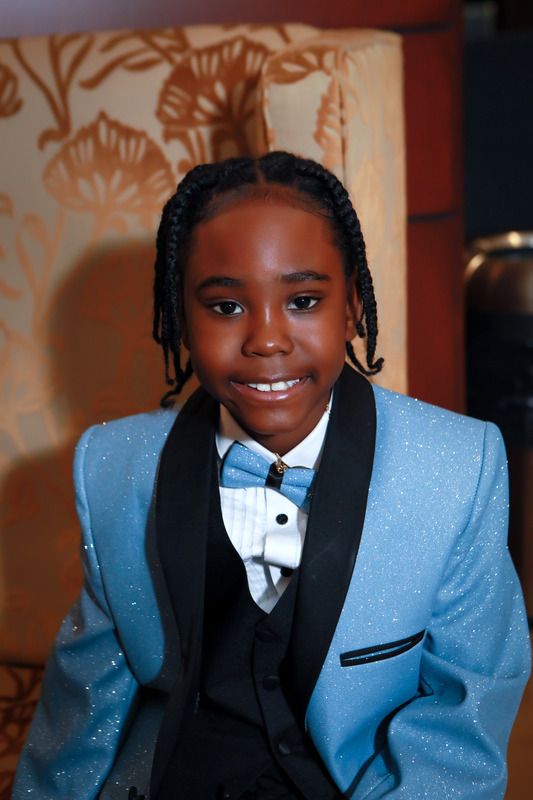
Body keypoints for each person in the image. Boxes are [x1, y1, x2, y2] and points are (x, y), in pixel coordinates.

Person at [13, 152, 530, 800]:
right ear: (181, 319)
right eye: (226, 306)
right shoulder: (113, 469)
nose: (266, 339)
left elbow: (464, 713)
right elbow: (83, 707)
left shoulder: (455, 469)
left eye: (303, 300)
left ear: (352, 307)